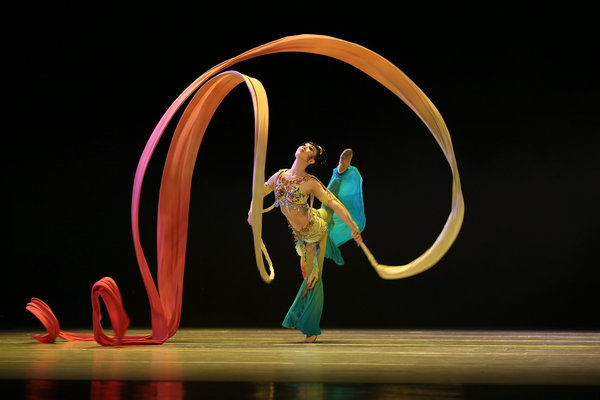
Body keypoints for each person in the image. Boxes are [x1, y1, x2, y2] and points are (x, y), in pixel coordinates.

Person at [248, 142, 364, 343]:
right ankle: (339, 172)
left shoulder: (310, 182)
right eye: (304, 145)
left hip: (315, 233)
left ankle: (311, 328)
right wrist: (252, 210)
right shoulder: (279, 176)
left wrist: (352, 224)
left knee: (313, 278)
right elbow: (259, 192)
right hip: (301, 234)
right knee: (324, 211)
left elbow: (334, 203)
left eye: (310, 149)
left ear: (311, 161)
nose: (304, 147)